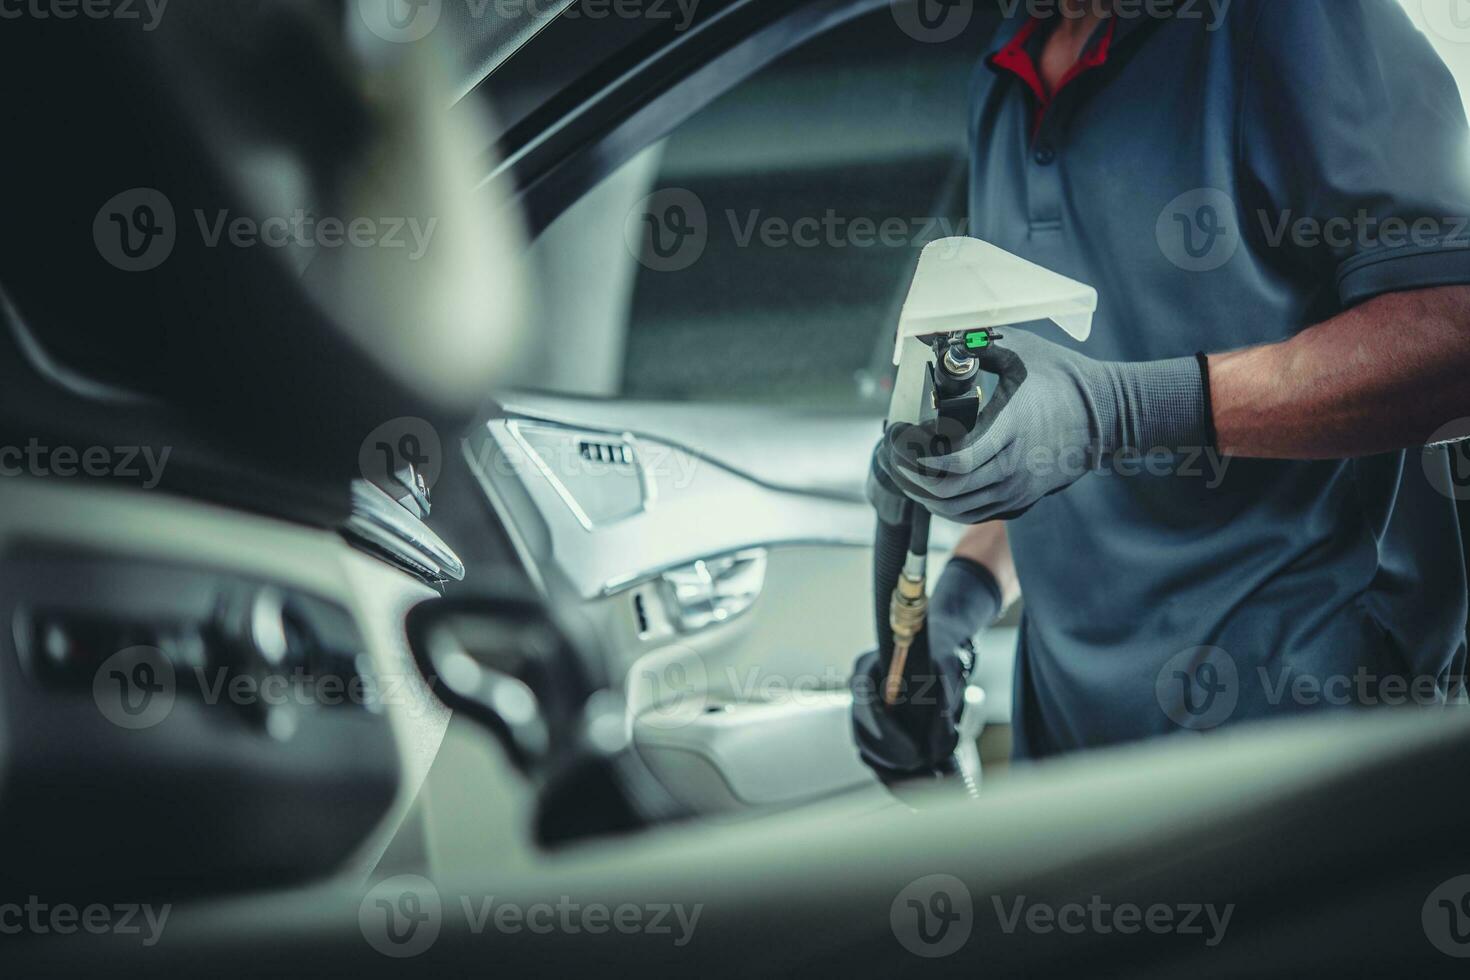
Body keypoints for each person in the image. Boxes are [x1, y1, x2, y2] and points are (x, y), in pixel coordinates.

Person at [854, 0, 1470, 775]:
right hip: (1067, 735)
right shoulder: (1003, 71)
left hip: (1293, 722)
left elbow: (1455, 331)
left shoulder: (1292, 21)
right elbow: (1058, 424)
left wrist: (1125, 412)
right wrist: (958, 607)